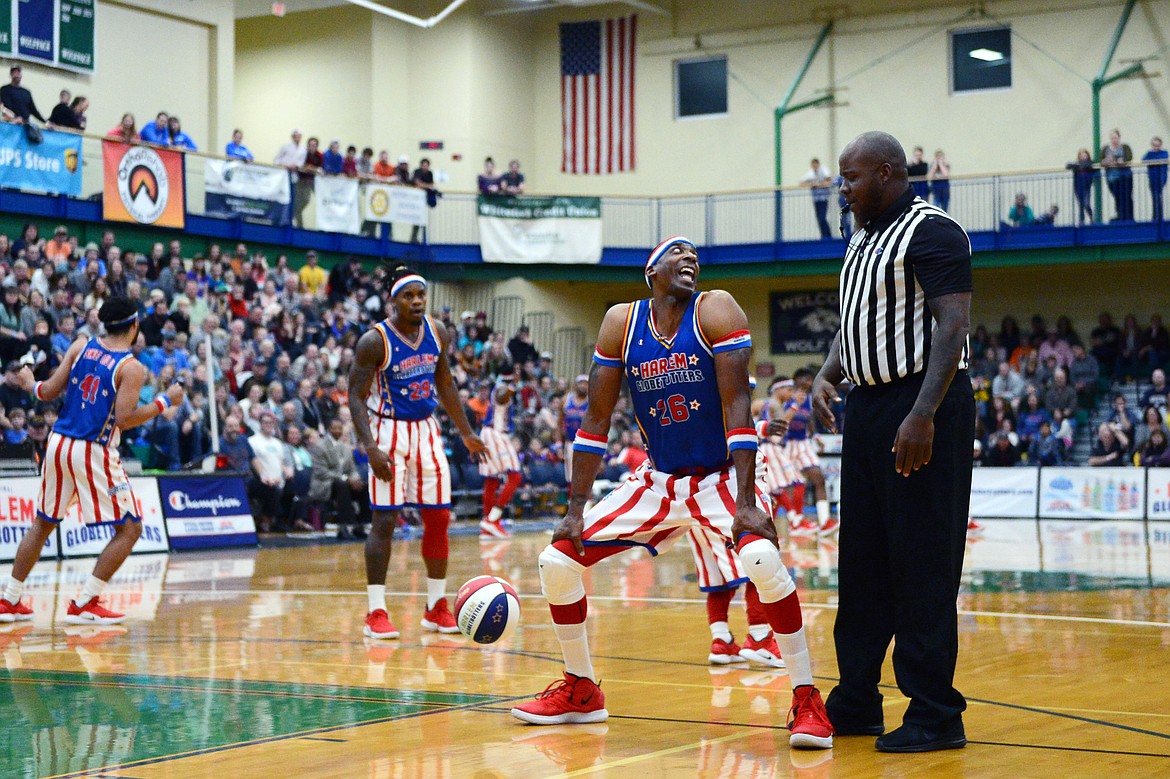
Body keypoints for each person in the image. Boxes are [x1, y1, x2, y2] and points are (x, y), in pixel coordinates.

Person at [509, 236, 834, 750]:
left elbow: (738, 409)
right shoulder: (622, 322)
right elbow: (595, 422)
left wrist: (747, 501)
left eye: (695, 256)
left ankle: (806, 697)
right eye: (677, 253)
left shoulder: (716, 310)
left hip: (721, 478)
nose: (690, 259)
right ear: (651, 272)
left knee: (764, 561)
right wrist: (574, 510)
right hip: (657, 480)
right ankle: (581, 689)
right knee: (557, 560)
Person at [812, 131, 974, 752]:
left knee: (922, 563)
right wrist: (830, 372)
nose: (842, 190)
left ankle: (936, 713)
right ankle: (856, 699)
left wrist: (923, 412)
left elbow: (953, 324)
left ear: (886, 173)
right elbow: (857, 318)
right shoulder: (860, 237)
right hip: (871, 407)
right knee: (862, 561)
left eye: (850, 179)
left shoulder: (934, 231)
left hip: (924, 406)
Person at [0, 297, 185, 624]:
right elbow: (124, 419)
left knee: (44, 522)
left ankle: (9, 599)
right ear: (134, 326)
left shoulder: (80, 345)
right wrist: (163, 401)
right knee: (130, 529)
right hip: (92, 450)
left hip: (58, 444)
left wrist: (31, 384)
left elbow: (47, 392)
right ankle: (86, 602)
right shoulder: (131, 367)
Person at [348, 267, 486, 641]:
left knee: (439, 516)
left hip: (427, 429)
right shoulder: (373, 341)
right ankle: (376, 611)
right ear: (393, 302)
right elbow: (355, 397)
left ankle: (436, 607)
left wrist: (466, 431)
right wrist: (370, 447)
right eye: (408, 296)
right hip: (388, 431)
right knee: (386, 520)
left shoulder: (437, 332)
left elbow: (444, 381)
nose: (416, 302)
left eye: (420, 295)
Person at [783, 369, 835, 535]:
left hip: (803, 443)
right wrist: (794, 404)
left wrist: (816, 435)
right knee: (788, 485)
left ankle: (824, 520)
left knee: (818, 478)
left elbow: (810, 419)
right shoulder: (786, 396)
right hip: (787, 445)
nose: (810, 381)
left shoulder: (809, 398)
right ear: (797, 379)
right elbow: (780, 419)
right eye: (806, 378)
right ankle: (795, 521)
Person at [477, 374, 523, 539]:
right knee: (515, 476)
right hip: (496, 434)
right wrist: (512, 387)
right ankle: (493, 519)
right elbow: (502, 396)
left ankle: (487, 527)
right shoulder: (502, 389)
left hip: (488, 434)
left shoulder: (499, 389)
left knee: (491, 481)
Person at [310, 417, 367, 540]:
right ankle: (345, 526)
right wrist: (346, 478)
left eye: (339, 428)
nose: (337, 430)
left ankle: (361, 525)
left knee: (364, 486)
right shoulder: (319, 446)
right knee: (342, 485)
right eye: (334, 428)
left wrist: (355, 478)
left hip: (343, 483)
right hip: (324, 484)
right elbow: (321, 472)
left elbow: (352, 469)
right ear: (328, 429)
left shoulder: (346, 447)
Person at [559, 373, 589, 482]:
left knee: (585, 473)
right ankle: (570, 497)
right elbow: (559, 424)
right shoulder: (566, 400)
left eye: (586, 384)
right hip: (570, 440)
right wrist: (558, 445)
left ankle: (586, 498)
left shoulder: (592, 401)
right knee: (570, 474)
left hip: (586, 441)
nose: (583, 386)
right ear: (575, 385)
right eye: (581, 383)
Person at [1100, 129, 1134, 222]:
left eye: (1116, 138)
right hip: (1112, 177)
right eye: (1112, 138)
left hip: (1125, 176)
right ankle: (1120, 215)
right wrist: (1106, 161)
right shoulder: (1105, 148)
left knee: (1127, 196)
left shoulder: (1125, 147)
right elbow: (1101, 160)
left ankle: (1129, 217)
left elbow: (1129, 157)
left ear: (1119, 138)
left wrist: (1120, 161)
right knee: (1118, 197)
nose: (1114, 140)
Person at [800, 158, 833, 239]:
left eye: (815, 165)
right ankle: (824, 235)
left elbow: (829, 181)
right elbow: (801, 183)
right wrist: (811, 184)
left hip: (823, 198)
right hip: (816, 199)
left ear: (818, 164)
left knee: (822, 217)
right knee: (819, 217)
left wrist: (819, 184)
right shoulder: (811, 173)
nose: (814, 167)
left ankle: (827, 235)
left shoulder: (824, 170)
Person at [1067, 148, 1095, 224]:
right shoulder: (1076, 164)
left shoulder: (1090, 163)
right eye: (1081, 155)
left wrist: (1078, 166)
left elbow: (1087, 165)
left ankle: (1091, 217)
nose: (1083, 157)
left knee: (1086, 203)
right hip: (1078, 187)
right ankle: (1081, 220)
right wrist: (1077, 165)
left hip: (1086, 187)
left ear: (1087, 156)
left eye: (1085, 155)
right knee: (1081, 205)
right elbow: (1068, 165)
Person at [1145, 136, 1167, 223]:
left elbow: (1162, 159)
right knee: (1155, 198)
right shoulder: (1149, 153)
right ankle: (1155, 217)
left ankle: (1158, 218)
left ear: (1160, 145)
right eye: (1154, 145)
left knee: (1157, 197)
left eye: (1157, 146)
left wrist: (1153, 161)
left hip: (1161, 179)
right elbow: (1144, 160)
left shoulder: (1164, 153)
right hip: (1152, 179)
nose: (1156, 148)